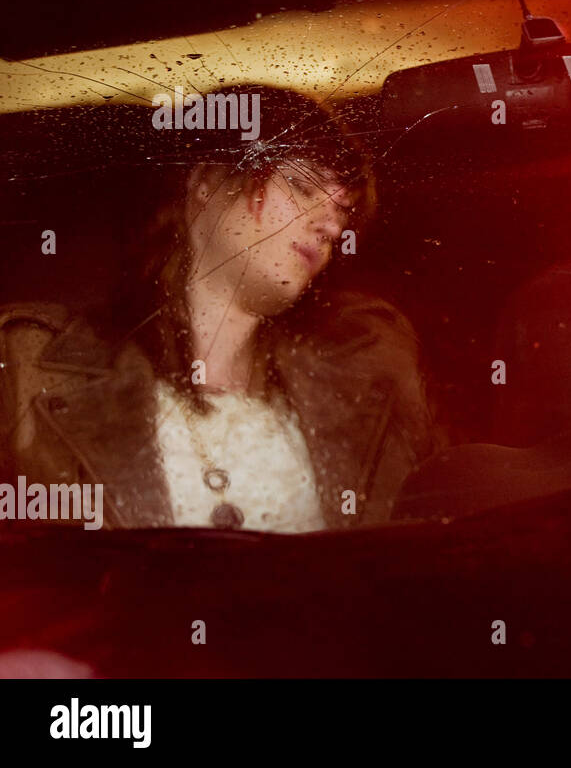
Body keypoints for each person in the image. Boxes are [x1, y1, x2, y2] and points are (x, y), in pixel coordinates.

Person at [0, 85, 439, 531]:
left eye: (342, 211)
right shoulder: (29, 363)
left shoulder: (374, 377)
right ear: (207, 182)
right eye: (302, 186)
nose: (330, 225)